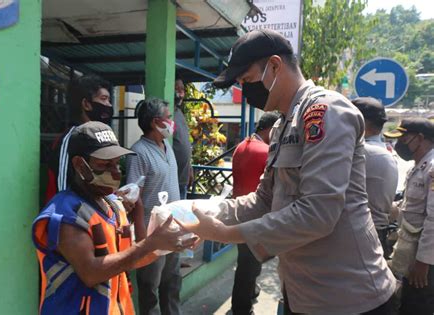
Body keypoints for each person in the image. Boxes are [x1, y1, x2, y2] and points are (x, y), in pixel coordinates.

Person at [178, 29, 396, 315]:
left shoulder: (324, 110)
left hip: (350, 297)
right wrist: (206, 214)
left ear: (275, 66)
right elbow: (264, 200)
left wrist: (226, 233)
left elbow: (319, 212)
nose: (245, 92)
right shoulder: (284, 125)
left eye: (247, 80)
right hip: (304, 293)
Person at [32, 121, 194, 315]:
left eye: (117, 163)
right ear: (79, 165)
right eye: (104, 164)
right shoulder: (66, 214)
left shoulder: (112, 205)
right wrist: (151, 244)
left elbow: (131, 257)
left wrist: (169, 243)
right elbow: (91, 273)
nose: (116, 171)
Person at [126, 98, 182, 315]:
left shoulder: (166, 146)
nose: (171, 121)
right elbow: (133, 196)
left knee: (173, 285)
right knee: (150, 291)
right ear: (155, 122)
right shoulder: (138, 152)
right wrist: (142, 241)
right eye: (168, 117)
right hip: (151, 234)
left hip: (173, 229)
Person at [384, 118, 434, 315]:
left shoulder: (431, 167)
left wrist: (423, 262)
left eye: (403, 139)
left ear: (420, 138)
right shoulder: (419, 166)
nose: (399, 145)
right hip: (411, 252)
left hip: (424, 260)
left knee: (417, 306)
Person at [231, 112, 279, 315]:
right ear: (270, 129)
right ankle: (242, 308)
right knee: (248, 267)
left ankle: (250, 293)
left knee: (247, 262)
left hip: (239, 211)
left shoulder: (242, 146)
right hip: (257, 215)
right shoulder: (266, 151)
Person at [45, 74, 115, 202]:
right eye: (104, 99)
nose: (109, 105)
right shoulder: (69, 139)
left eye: (109, 100)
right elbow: (62, 185)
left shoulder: (102, 138)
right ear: (86, 104)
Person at [351, 97, 398, 258]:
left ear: (359, 121)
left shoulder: (362, 152)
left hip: (361, 236)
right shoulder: (384, 151)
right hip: (375, 232)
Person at [173, 76, 193, 199]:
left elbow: (184, 143)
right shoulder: (168, 115)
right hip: (172, 182)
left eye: (182, 89)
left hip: (182, 180)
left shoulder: (179, 113)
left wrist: (189, 168)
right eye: (176, 88)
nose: (180, 92)